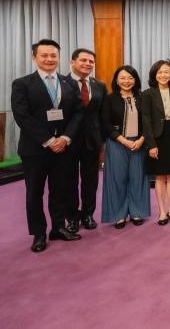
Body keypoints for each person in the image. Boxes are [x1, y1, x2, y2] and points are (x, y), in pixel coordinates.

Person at [11, 39, 83, 252]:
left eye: (53, 56)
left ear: (59, 58)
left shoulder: (69, 83)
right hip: (35, 149)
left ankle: (58, 227)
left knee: (59, 189)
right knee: (34, 192)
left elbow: (78, 113)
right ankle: (39, 233)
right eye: (44, 55)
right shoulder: (22, 84)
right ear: (34, 57)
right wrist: (49, 140)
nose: (49, 59)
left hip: (63, 148)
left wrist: (65, 138)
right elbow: (22, 116)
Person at [101, 65, 149, 228]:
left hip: (138, 143)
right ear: (116, 80)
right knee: (117, 179)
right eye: (122, 78)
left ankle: (137, 212)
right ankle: (118, 215)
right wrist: (122, 140)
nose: (126, 81)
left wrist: (142, 140)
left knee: (138, 179)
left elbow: (149, 123)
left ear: (135, 80)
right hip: (117, 143)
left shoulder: (142, 98)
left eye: (130, 78)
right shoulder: (109, 98)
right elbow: (105, 124)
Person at [142, 60, 170, 226]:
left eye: (167, 72)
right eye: (160, 72)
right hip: (157, 137)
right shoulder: (147, 94)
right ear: (155, 74)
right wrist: (151, 144)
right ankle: (162, 211)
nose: (163, 75)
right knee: (160, 175)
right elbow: (145, 120)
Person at [66, 48, 107, 232]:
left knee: (91, 180)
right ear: (72, 62)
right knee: (69, 180)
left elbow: (103, 115)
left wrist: (103, 140)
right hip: (68, 141)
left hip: (93, 141)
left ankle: (88, 214)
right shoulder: (62, 83)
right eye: (83, 60)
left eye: (91, 61)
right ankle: (72, 217)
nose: (87, 64)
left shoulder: (100, 85)